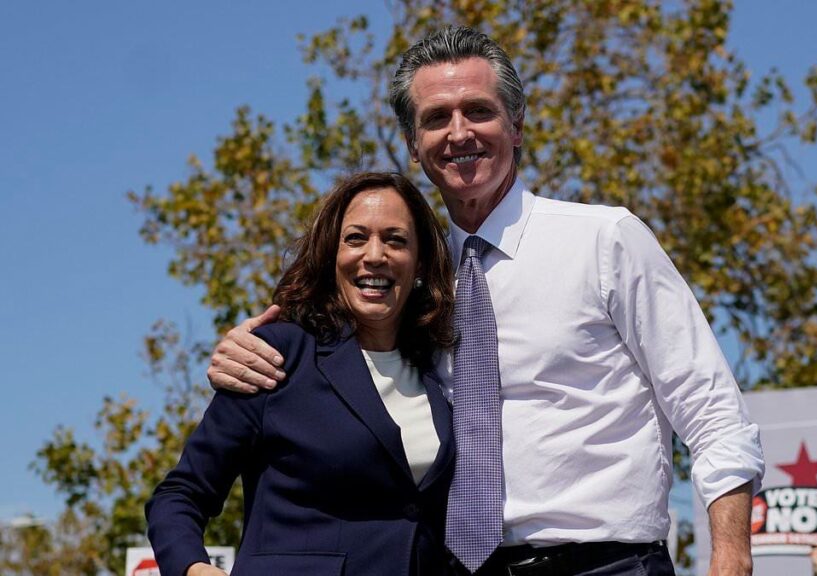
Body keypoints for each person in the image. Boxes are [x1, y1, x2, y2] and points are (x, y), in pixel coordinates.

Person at [207, 26, 765, 576]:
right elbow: (340, 363)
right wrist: (242, 348)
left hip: (604, 562)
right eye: (435, 118)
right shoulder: (414, 282)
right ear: (414, 147)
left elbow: (711, 408)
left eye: (478, 110)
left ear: (516, 126)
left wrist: (730, 559)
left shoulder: (606, 239)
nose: (458, 132)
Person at [146, 172, 457, 576]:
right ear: (332, 256)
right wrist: (194, 568)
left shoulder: (438, 367)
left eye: (395, 240)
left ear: (419, 263)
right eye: (356, 238)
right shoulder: (277, 354)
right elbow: (180, 495)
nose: (375, 255)